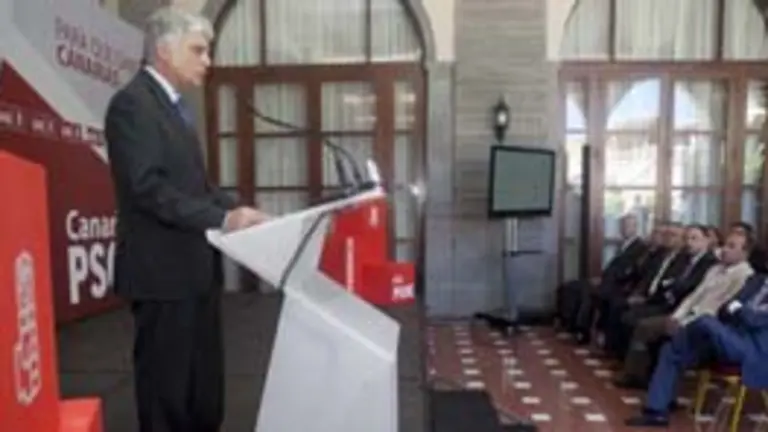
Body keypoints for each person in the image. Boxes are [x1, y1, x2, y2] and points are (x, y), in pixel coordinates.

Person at [104, 7, 268, 431]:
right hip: (162, 277)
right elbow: (148, 189)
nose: (207, 61)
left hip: (195, 273)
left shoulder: (175, 107)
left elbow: (195, 185)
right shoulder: (132, 106)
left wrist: (238, 210)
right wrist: (221, 218)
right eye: (198, 50)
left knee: (201, 391)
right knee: (166, 395)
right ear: (164, 51)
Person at [625, 271, 768, 427]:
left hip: (754, 352)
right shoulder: (756, 281)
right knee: (670, 351)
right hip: (729, 338)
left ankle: (681, 342)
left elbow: (755, 320)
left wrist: (739, 310)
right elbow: (724, 309)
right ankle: (656, 412)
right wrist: (738, 311)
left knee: (705, 321)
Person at [613, 225, 721, 388]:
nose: (689, 243)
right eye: (687, 239)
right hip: (672, 305)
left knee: (643, 325)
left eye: (694, 239)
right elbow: (673, 282)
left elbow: (689, 287)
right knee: (631, 315)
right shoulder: (687, 259)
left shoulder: (709, 263)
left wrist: (673, 289)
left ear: (706, 241)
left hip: (685, 312)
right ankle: (637, 371)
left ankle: (637, 373)